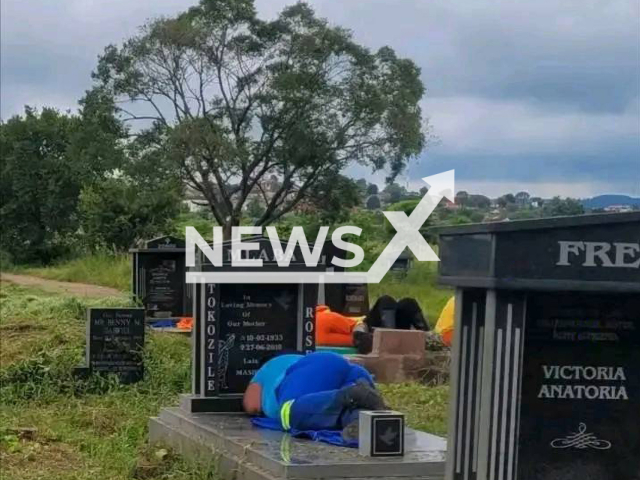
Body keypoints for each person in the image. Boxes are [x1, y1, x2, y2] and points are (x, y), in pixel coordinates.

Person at [243, 351, 385, 440]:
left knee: (288, 413)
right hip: (354, 372)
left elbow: (252, 406)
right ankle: (360, 419)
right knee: (337, 414)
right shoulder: (300, 358)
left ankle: (351, 394)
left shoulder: (269, 367)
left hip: (321, 366)